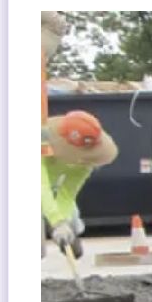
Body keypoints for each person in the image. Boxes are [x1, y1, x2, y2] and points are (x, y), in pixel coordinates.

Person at [41, 109, 118, 257]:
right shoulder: (41, 143)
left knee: (72, 229)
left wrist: (63, 223)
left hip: (50, 188)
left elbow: (67, 193)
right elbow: (41, 187)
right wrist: (56, 221)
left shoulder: (85, 162)